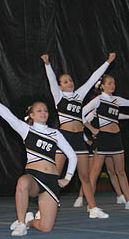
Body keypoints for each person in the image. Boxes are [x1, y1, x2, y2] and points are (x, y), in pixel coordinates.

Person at [0, 90, 77, 236]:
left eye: (45, 111)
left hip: (51, 181)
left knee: (46, 227)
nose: (43, 113)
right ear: (32, 115)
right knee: (22, 182)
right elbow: (8, 116)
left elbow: (72, 155)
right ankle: (21, 223)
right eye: (39, 111)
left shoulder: (55, 134)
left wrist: (67, 178)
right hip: (34, 177)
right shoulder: (26, 130)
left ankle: (28, 221)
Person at [42, 53, 116, 218]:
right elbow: (51, 81)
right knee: (55, 174)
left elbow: (92, 79)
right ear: (60, 86)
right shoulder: (59, 97)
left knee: (85, 177)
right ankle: (43, 209)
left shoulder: (79, 95)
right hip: (65, 137)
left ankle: (93, 209)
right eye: (65, 81)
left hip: (78, 139)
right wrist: (47, 64)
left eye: (70, 80)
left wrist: (108, 62)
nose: (69, 82)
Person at [81, 74, 129, 209]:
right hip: (103, 137)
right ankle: (90, 204)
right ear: (102, 86)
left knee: (121, 171)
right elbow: (81, 113)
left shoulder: (116, 100)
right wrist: (92, 129)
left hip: (116, 138)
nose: (112, 85)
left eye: (113, 83)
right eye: (109, 83)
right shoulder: (98, 100)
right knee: (95, 172)